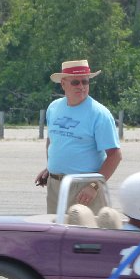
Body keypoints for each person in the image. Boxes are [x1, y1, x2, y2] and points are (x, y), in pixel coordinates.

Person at [35, 59, 122, 214]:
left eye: (85, 82)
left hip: (85, 188)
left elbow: (115, 155)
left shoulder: (99, 114)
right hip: (55, 186)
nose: (81, 87)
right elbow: (53, 140)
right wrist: (50, 168)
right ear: (63, 83)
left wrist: (94, 186)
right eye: (75, 82)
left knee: (86, 236)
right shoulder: (54, 108)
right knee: (56, 235)